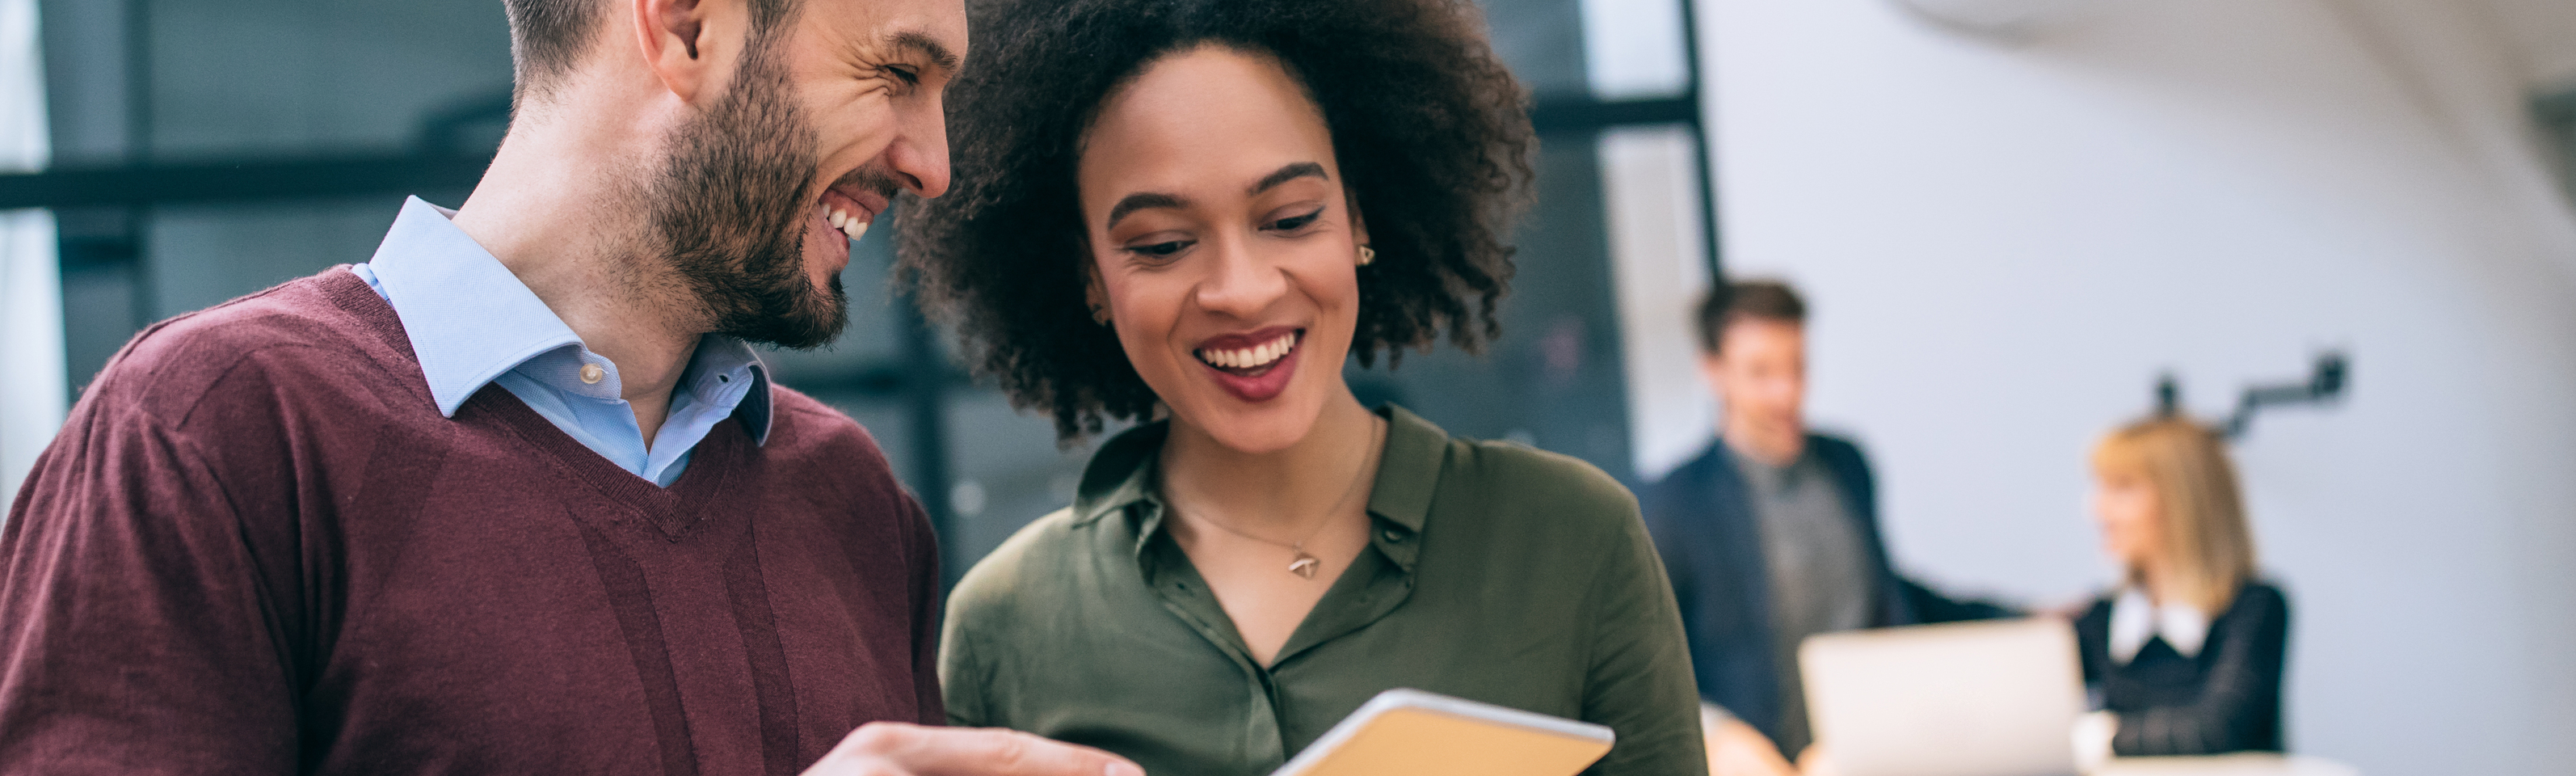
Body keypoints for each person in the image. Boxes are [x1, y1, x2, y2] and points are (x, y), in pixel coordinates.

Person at [0, 0, 1143, 773]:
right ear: (686, 27)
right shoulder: (213, 433)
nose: (933, 164)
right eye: (896, 72)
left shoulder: (853, 504)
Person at [894, 1, 1707, 774]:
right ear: (1089, 277)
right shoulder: (1005, 625)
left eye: (1289, 219)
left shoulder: (1571, 541)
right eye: (1165, 243)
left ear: (1358, 217)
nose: (1241, 291)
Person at [1638, 280, 2016, 775]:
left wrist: (2019, 618)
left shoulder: (1846, 464)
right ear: (1712, 372)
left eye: (1798, 367)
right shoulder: (1676, 502)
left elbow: (1883, 592)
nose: (1787, 393)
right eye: (1761, 373)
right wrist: (1717, 735)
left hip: (1871, 753)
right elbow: (1651, 662)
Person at [2074, 415, 2290, 757]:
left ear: (2183, 500)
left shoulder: (2254, 607)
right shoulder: (2103, 618)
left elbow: (2217, 730)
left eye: (2123, 487)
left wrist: (2102, 737)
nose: (2098, 510)